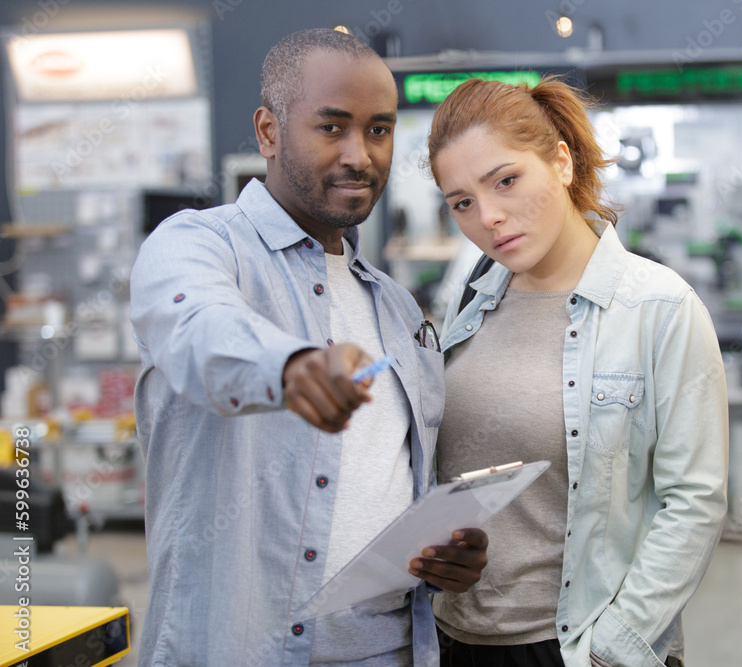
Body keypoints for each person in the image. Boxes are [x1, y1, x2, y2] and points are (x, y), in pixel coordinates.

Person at [129, 29, 487, 667]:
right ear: (268, 132)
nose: (360, 155)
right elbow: (197, 328)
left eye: (379, 130)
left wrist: (441, 559)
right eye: (331, 127)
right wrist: (291, 368)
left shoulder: (398, 310)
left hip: (393, 650)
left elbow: (389, 485)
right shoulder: (200, 247)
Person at [425, 77, 729, 667]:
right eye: (461, 201)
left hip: (578, 645)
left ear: (561, 161)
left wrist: (608, 651)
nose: (488, 217)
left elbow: (694, 501)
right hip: (456, 642)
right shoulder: (466, 308)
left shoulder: (658, 307)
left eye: (505, 180)